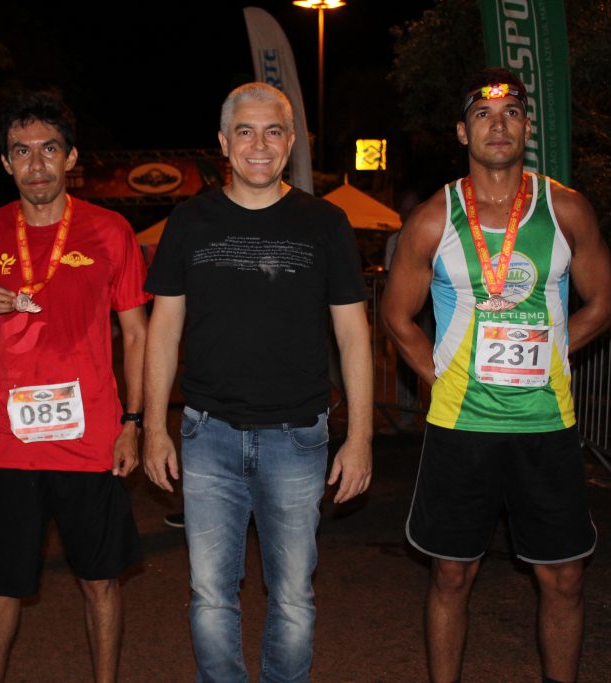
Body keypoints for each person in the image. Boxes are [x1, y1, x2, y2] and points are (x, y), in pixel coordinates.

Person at [381, 67, 611, 683]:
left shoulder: (565, 208)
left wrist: (556, 349)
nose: (498, 125)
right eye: (483, 115)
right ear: (463, 131)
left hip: (546, 422)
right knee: (451, 574)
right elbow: (396, 315)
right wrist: (438, 375)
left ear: (527, 128)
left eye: (511, 113)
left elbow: (605, 301)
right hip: (461, 425)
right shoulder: (434, 218)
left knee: (563, 577)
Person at [143, 82, 373, 682]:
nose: (260, 145)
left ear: (291, 141)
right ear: (224, 143)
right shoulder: (188, 222)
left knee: (293, 597)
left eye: (273, 131)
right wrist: (152, 428)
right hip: (207, 435)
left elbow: (353, 335)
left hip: (298, 438)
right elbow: (162, 331)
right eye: (245, 132)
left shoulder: (326, 222)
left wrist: (361, 438)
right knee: (210, 594)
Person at [0, 90, 149, 683]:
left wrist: (134, 424)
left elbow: (137, 334)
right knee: (2, 585)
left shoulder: (109, 231)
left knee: (100, 581)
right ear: (5, 162)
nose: (36, 164)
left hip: (92, 438)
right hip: (10, 443)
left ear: (71, 157)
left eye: (49, 149)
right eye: (22, 151)